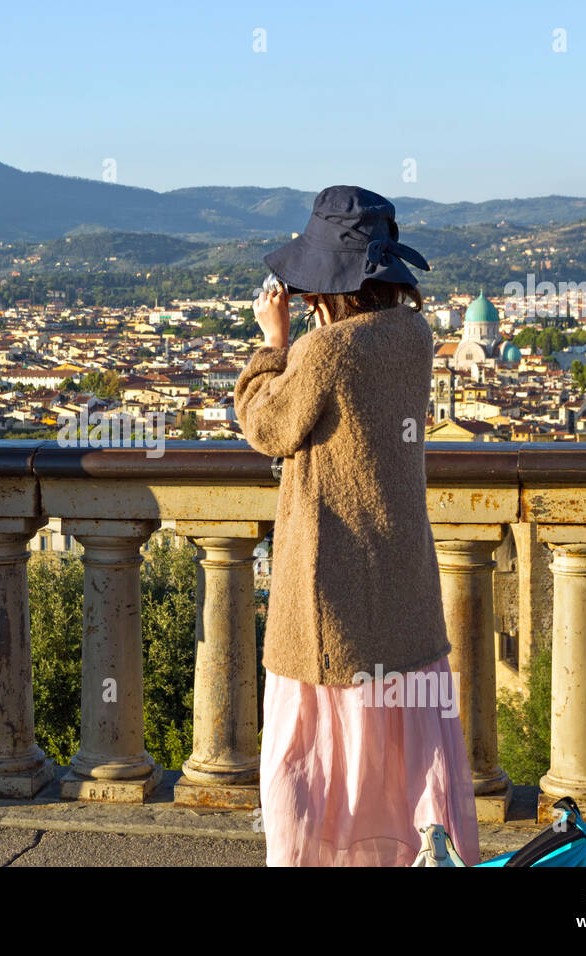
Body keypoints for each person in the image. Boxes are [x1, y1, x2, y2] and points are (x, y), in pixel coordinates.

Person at [234, 186, 479, 866]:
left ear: (326, 283)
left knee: (313, 753)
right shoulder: (414, 335)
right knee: (401, 743)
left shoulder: (326, 350)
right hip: (401, 576)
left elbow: (267, 427)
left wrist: (272, 344)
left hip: (330, 584)